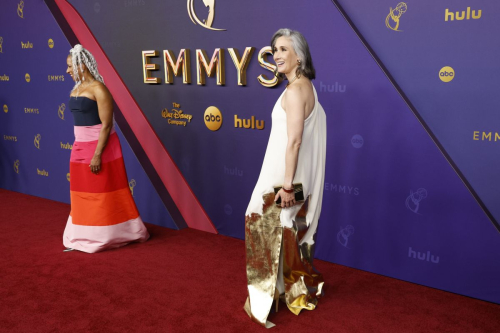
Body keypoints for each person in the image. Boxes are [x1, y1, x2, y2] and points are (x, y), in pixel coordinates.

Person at [244, 29, 327, 328]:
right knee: (287, 232)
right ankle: (292, 289)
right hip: (295, 176)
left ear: (299, 56)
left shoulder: (294, 91)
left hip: (283, 178)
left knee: (261, 227)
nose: (276, 55)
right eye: (274, 49)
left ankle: (263, 301)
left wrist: (288, 186)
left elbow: (294, 142)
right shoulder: (307, 87)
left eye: (282, 49)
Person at [62, 44, 149, 253]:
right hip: (79, 147)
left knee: (103, 191)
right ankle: (83, 233)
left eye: (70, 66)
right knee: (82, 192)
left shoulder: (99, 89)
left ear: (81, 65)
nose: (67, 71)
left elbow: (107, 125)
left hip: (99, 147)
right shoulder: (77, 88)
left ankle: (112, 233)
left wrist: (97, 155)